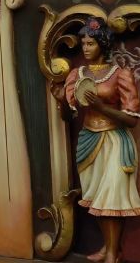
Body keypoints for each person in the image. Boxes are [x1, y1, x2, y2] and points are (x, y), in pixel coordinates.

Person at [58, 17, 140, 263]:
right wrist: (63, 100)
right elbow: (67, 114)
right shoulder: (77, 74)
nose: (85, 47)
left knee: (111, 197)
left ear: (102, 45)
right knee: (100, 199)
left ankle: (112, 255)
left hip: (116, 141)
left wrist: (100, 107)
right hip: (89, 141)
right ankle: (110, 247)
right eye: (83, 43)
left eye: (90, 43)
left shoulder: (119, 74)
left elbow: (132, 120)